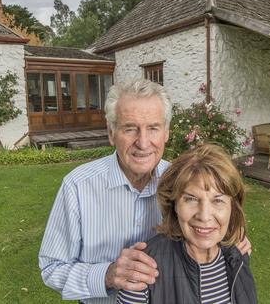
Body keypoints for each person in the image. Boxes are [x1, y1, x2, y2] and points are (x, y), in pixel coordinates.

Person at [39, 78, 250, 303]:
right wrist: (107, 275)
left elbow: (209, 220)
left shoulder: (182, 183)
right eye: (130, 128)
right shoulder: (78, 186)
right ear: (111, 133)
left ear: (166, 133)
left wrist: (231, 242)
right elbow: (52, 268)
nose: (143, 142)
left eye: (153, 128)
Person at [116, 144, 257, 304]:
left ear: (232, 207)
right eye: (191, 199)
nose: (204, 216)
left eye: (217, 200)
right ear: (173, 204)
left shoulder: (237, 256)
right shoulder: (142, 271)